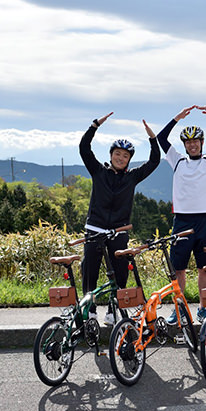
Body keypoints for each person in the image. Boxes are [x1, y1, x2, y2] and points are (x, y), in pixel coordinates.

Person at [79, 112, 160, 324]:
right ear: (111, 154)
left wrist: (152, 138)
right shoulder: (98, 171)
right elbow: (84, 149)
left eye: (125, 156)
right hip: (95, 228)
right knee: (90, 270)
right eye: (117, 154)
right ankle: (90, 308)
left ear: (129, 160)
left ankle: (114, 310)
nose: (121, 158)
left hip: (119, 231)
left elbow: (154, 161)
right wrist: (94, 126)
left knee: (120, 271)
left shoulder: (132, 177)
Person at [157, 105, 206, 324]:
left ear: (201, 143)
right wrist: (177, 118)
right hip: (181, 220)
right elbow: (162, 138)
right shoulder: (177, 160)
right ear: (185, 145)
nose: (192, 145)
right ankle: (179, 309)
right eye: (188, 142)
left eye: (195, 141)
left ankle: (203, 308)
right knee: (178, 269)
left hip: (204, 221)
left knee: (205, 268)